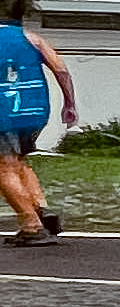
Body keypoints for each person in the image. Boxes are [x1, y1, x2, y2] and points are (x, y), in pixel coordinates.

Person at [0, 19, 77, 246]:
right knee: (18, 163)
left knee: (4, 168)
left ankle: (31, 225)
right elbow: (61, 69)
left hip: (3, 114)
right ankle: (41, 209)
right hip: (34, 112)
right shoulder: (29, 37)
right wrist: (69, 103)